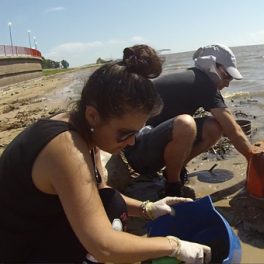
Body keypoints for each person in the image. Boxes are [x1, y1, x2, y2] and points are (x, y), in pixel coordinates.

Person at [0, 44, 211, 263]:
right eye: (125, 134)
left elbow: (101, 191)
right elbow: (104, 246)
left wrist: (148, 208)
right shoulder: (64, 148)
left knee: (111, 201)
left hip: (42, 228)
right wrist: (173, 245)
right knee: (109, 225)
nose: (130, 143)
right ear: (93, 115)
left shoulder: (77, 127)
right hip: (18, 253)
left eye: (135, 133)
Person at [123, 43, 253, 197]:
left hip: (145, 146)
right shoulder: (204, 84)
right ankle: (172, 185)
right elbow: (233, 129)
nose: (228, 83)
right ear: (212, 67)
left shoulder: (195, 79)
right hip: (140, 154)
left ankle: (175, 170)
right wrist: (253, 160)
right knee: (186, 124)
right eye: (227, 76)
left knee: (213, 127)